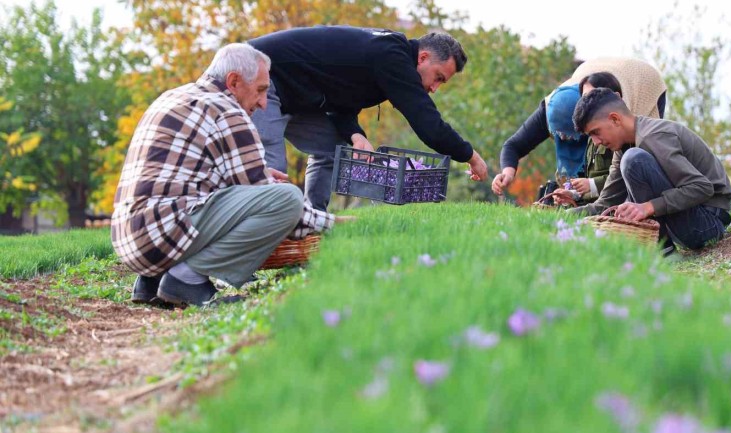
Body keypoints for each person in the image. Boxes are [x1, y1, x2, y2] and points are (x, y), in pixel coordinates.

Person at [111, 43, 337, 308]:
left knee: (256, 195)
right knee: (287, 197)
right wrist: (338, 225)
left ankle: (153, 280)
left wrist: (257, 180)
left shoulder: (172, 97)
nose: (264, 103)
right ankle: (187, 279)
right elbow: (286, 211)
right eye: (261, 90)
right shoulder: (228, 111)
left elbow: (183, 179)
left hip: (129, 240)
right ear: (234, 82)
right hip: (160, 235)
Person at [248, 26, 489, 210]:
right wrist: (470, 155)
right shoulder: (393, 56)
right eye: (438, 77)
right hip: (260, 77)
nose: (435, 88)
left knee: (334, 148)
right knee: (271, 168)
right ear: (423, 57)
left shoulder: (388, 54)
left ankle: (313, 223)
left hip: (294, 96)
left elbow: (341, 98)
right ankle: (258, 251)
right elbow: (428, 123)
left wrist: (356, 135)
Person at [571, 88, 731, 251]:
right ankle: (665, 250)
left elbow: (702, 188)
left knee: (633, 159)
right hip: (686, 224)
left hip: (708, 224)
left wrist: (647, 207)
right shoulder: (623, 147)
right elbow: (605, 203)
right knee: (630, 159)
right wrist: (560, 216)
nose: (596, 142)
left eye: (595, 132)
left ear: (615, 119)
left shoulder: (653, 136)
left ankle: (664, 251)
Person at [492, 57, 667, 203]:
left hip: (642, 81)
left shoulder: (615, 115)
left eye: (578, 137)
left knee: (635, 164)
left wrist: (591, 185)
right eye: (560, 137)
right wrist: (507, 173)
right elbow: (513, 145)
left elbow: (622, 174)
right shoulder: (551, 110)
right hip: (594, 75)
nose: (567, 142)